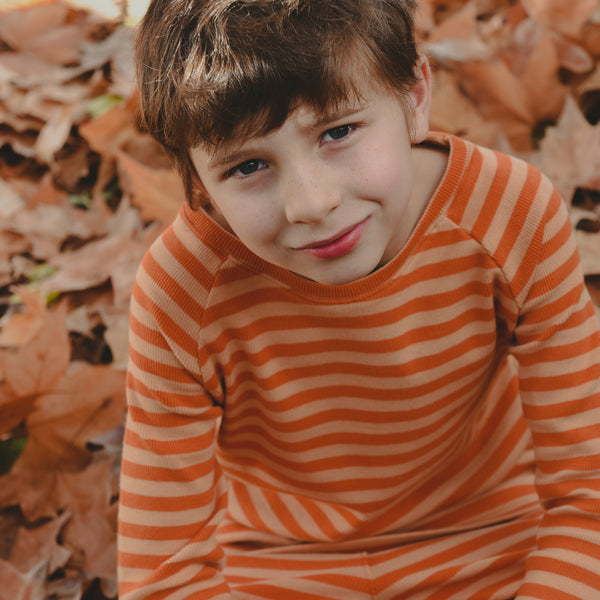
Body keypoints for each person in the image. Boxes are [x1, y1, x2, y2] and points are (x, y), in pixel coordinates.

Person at [117, 1, 600, 598]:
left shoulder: (508, 215)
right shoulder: (183, 292)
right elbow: (163, 570)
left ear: (414, 96)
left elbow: (588, 490)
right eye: (247, 166)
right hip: (280, 568)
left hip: (498, 541)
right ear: (195, 182)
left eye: (337, 132)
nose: (311, 203)